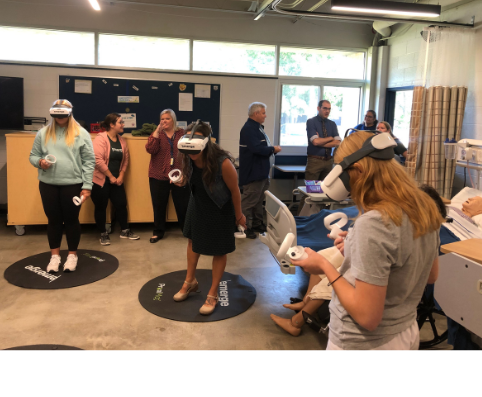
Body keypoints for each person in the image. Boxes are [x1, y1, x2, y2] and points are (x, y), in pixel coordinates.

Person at [291, 130, 443, 350]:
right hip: (406, 332)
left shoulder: (373, 223)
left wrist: (323, 265)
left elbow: (367, 317)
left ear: (359, 171)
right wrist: (357, 249)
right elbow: (430, 275)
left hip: (364, 343)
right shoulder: (425, 206)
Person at [271, 184, 448, 337]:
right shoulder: (404, 227)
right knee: (326, 255)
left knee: (328, 276)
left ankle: (296, 322)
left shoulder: (418, 232)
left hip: (375, 321)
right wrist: (352, 241)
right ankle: (306, 301)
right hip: (398, 322)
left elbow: (429, 276)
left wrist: (325, 265)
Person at [173, 121, 246, 315]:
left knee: (219, 250)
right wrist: (183, 180)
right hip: (198, 204)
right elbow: (194, 178)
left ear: (206, 142)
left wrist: (239, 216)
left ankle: (213, 293)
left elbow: (235, 191)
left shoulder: (223, 163)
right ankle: (190, 281)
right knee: (192, 240)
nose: (191, 150)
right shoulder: (188, 157)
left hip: (220, 208)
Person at [29, 99, 95, 273]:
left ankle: (72, 255)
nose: (59, 117)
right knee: (53, 221)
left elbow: (89, 161)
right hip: (48, 184)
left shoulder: (81, 133)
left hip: (72, 184)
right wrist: (40, 162)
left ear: (69, 113)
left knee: (72, 220)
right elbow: (33, 155)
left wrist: (87, 186)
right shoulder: (43, 133)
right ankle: (55, 256)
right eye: (56, 114)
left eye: (63, 114)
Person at [91, 113, 139, 245]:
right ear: (112, 125)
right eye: (120, 122)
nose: (123, 124)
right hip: (101, 180)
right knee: (101, 207)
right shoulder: (100, 139)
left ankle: (125, 230)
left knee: (121, 204)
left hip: (117, 180)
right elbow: (98, 160)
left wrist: (121, 176)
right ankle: (103, 233)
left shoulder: (122, 141)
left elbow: (125, 160)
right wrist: (111, 176)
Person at [145, 109, 190, 243]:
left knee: (183, 205)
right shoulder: (157, 134)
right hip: (158, 174)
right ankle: (158, 232)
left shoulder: (182, 133)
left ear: (173, 120)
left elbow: (188, 153)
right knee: (158, 205)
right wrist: (156, 132)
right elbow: (150, 149)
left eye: (167, 118)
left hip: (178, 174)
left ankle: (187, 230)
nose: (164, 121)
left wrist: (186, 173)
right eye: (162, 119)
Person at [239, 102, 281, 239]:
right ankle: (244, 227)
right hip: (253, 173)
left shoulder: (257, 128)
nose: (265, 116)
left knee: (258, 201)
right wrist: (273, 149)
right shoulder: (249, 129)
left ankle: (257, 224)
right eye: (263, 113)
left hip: (261, 172)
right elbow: (256, 149)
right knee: (249, 202)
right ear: (256, 113)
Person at [297, 100, 341, 214]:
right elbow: (315, 142)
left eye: (329, 109)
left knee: (325, 193)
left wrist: (322, 141)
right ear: (318, 108)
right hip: (315, 161)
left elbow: (338, 142)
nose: (327, 111)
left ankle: (319, 218)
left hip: (328, 161)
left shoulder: (332, 124)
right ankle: (300, 219)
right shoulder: (311, 122)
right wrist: (330, 138)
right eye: (325, 108)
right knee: (309, 193)